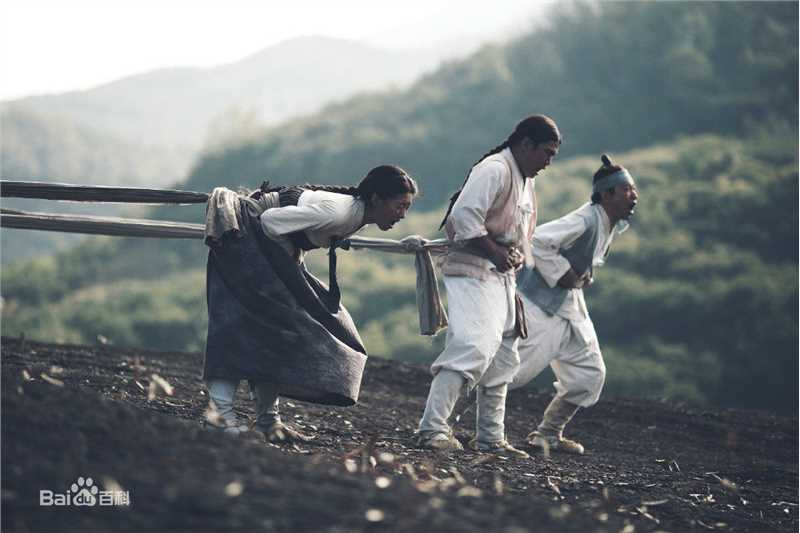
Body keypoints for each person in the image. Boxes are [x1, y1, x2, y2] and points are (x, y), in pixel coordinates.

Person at [203, 165, 418, 443]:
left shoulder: (355, 214)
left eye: (407, 208)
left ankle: (268, 421)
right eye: (399, 206)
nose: (402, 215)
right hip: (243, 238)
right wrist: (289, 262)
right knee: (240, 328)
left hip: (263, 245)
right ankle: (219, 418)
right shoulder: (339, 212)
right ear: (377, 199)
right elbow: (270, 222)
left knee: (277, 333)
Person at [416, 114, 561, 456]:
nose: (548, 162)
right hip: (471, 270)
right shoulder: (495, 168)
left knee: (503, 357)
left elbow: (521, 233)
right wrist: (497, 253)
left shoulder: (527, 180)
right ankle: (431, 428)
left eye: (553, 155)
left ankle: (491, 439)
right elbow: (463, 217)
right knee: (474, 346)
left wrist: (514, 259)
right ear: (525, 145)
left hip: (502, 277)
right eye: (546, 152)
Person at [512, 154, 639, 455]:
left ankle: (548, 434)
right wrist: (564, 274)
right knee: (513, 370)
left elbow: (578, 258)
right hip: (539, 303)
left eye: (634, 189)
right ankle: (445, 421)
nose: (634, 196)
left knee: (589, 372)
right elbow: (538, 240)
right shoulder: (585, 219)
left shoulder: (605, 222)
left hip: (569, 305)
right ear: (607, 194)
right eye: (627, 190)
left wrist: (580, 276)